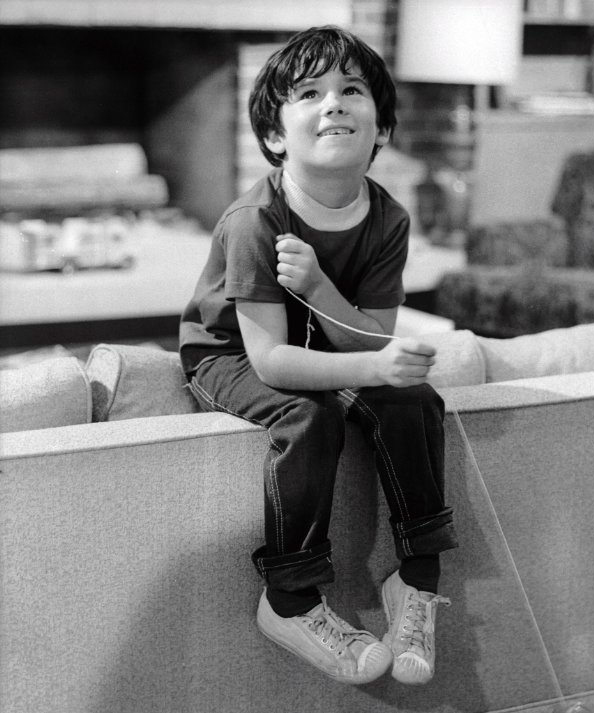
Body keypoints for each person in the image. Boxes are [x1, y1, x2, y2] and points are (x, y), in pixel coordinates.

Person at [180, 25, 458, 686]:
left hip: (325, 344)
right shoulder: (255, 221)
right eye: (309, 93)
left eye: (351, 89)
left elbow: (370, 338)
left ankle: (416, 580)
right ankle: (289, 598)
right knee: (310, 416)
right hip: (232, 354)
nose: (333, 102)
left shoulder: (388, 219)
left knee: (414, 400)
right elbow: (273, 363)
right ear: (275, 136)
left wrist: (320, 289)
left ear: (380, 128)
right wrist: (370, 365)